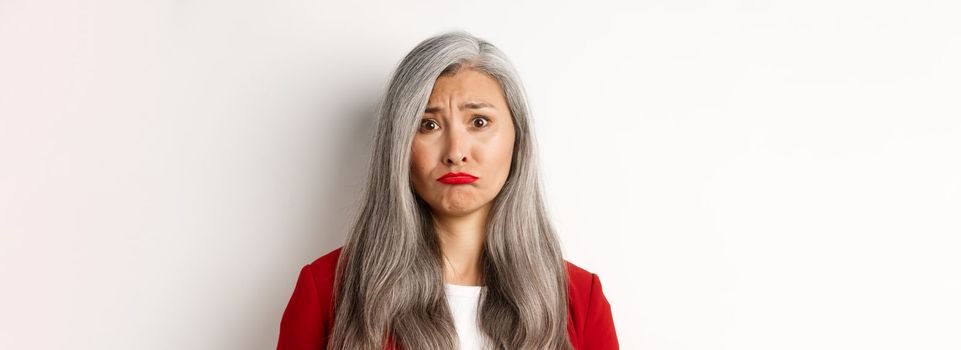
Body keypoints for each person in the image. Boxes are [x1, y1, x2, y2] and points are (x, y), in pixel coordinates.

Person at [277, 30, 619, 350]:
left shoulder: (580, 298)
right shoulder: (325, 289)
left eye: (479, 122)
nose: (456, 151)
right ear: (398, 147)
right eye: (429, 125)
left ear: (518, 139)